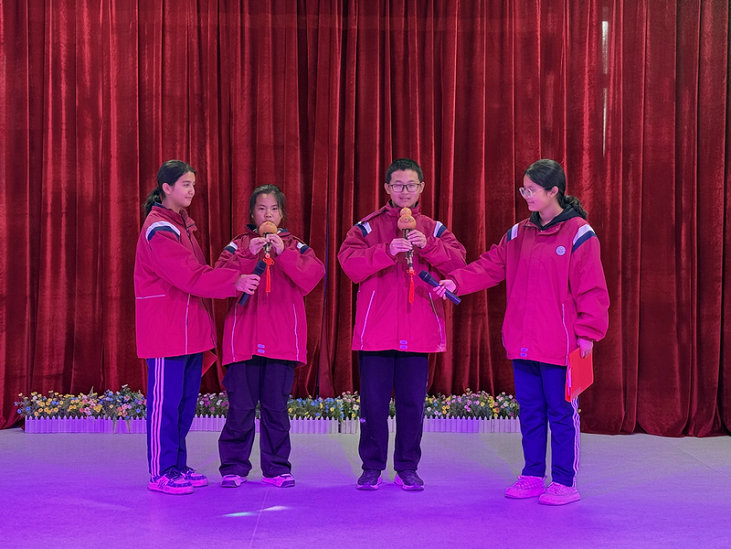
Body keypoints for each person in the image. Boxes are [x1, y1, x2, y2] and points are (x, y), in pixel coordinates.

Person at [434, 159, 609, 505]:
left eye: (532, 190)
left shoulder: (579, 233)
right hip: (522, 341)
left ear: (554, 191)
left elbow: (592, 288)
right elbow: (489, 265)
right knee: (530, 411)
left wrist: (588, 332)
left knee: (561, 413)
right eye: (523, 189)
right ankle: (532, 475)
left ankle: (565, 482)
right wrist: (456, 281)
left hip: (561, 344)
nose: (525, 195)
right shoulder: (517, 233)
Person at [338, 158, 467, 491]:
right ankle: (372, 467)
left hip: (417, 330)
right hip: (376, 333)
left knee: (412, 404)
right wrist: (385, 251)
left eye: (411, 185)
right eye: (398, 185)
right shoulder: (367, 228)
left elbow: (459, 261)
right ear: (387, 188)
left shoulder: (434, 229)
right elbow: (348, 264)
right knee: (373, 405)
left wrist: (431, 246)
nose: (404, 191)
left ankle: (407, 467)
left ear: (421, 188)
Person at [135, 160, 258, 495]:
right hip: (167, 331)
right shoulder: (159, 229)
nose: (192, 190)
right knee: (165, 405)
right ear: (166, 188)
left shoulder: (182, 226)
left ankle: (176, 465)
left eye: (193, 184)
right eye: (185, 184)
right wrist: (235, 280)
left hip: (187, 330)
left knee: (183, 403)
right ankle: (161, 471)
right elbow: (190, 275)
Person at [217, 184, 324, 489]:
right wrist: (247, 257)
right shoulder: (238, 245)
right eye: (261, 208)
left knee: (276, 409)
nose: (268, 215)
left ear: (282, 214)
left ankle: (276, 468)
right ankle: (234, 467)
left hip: (281, 342)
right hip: (243, 341)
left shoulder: (295, 246)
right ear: (252, 213)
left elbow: (313, 276)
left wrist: (283, 253)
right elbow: (218, 278)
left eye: (274, 209)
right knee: (240, 408)